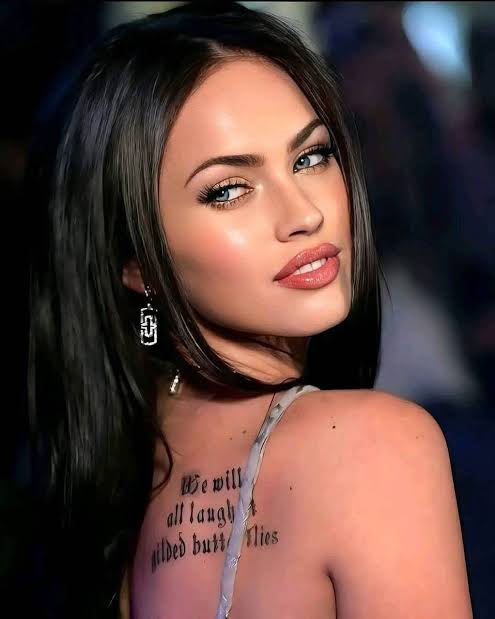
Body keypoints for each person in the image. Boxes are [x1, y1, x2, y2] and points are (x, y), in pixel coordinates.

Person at [25, 2, 473, 618]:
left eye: (310, 157)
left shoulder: (115, 483)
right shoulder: (372, 447)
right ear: (137, 264)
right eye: (228, 190)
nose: (304, 214)